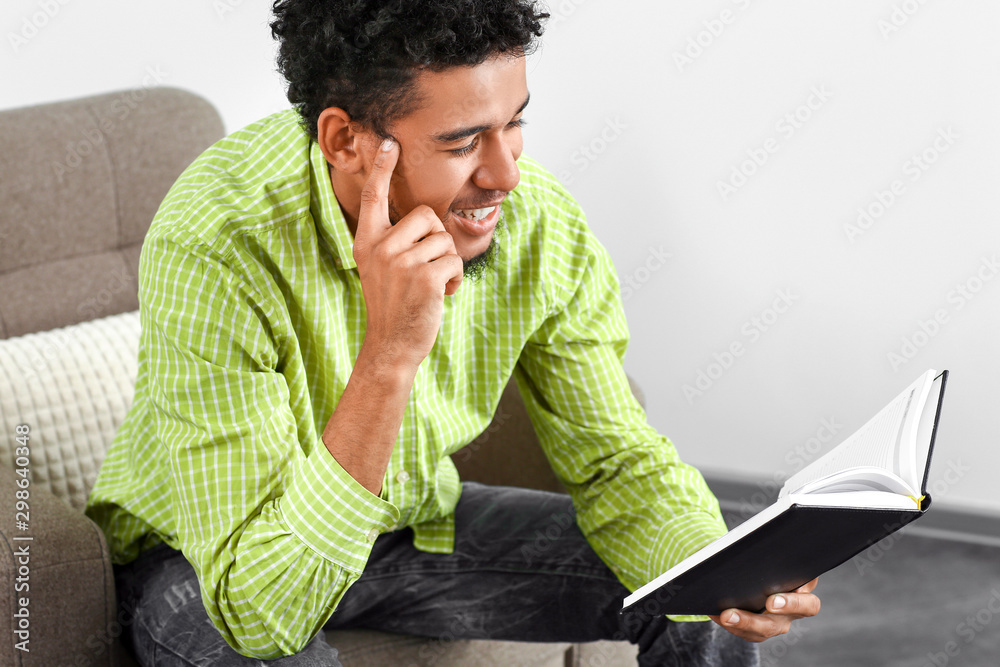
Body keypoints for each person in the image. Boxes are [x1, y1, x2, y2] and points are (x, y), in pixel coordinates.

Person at [85, 1, 820, 665]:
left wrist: (722, 571)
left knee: (700, 589)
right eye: (464, 141)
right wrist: (389, 354)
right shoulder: (216, 242)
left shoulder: (538, 225)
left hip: (408, 529)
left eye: (515, 123)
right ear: (345, 140)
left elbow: (615, 462)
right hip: (211, 561)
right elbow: (259, 612)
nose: (506, 174)